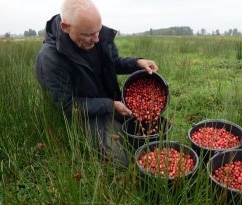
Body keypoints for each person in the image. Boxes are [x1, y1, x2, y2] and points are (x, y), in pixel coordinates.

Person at [36, 0, 158, 168]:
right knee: (123, 161)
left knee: (145, 133)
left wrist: (137, 63)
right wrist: (110, 105)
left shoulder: (94, 33)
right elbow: (67, 105)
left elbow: (113, 62)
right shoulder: (50, 60)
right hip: (85, 116)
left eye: (98, 31)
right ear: (66, 27)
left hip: (109, 103)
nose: (97, 38)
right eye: (88, 35)